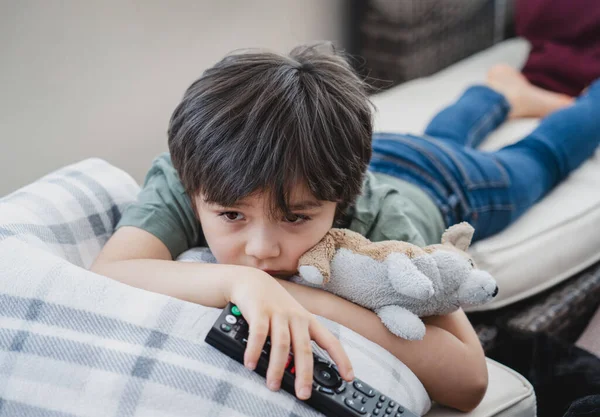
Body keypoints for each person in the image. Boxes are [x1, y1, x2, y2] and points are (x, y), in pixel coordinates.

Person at [91, 43, 600, 412]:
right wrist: (238, 282)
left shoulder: (384, 225)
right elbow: (112, 270)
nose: (261, 250)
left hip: (444, 181)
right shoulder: (196, 177)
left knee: (537, 159)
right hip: (353, 159)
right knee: (447, 133)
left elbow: (469, 381)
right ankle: (499, 93)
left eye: (295, 218)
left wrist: (298, 298)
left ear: (343, 201)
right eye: (231, 216)